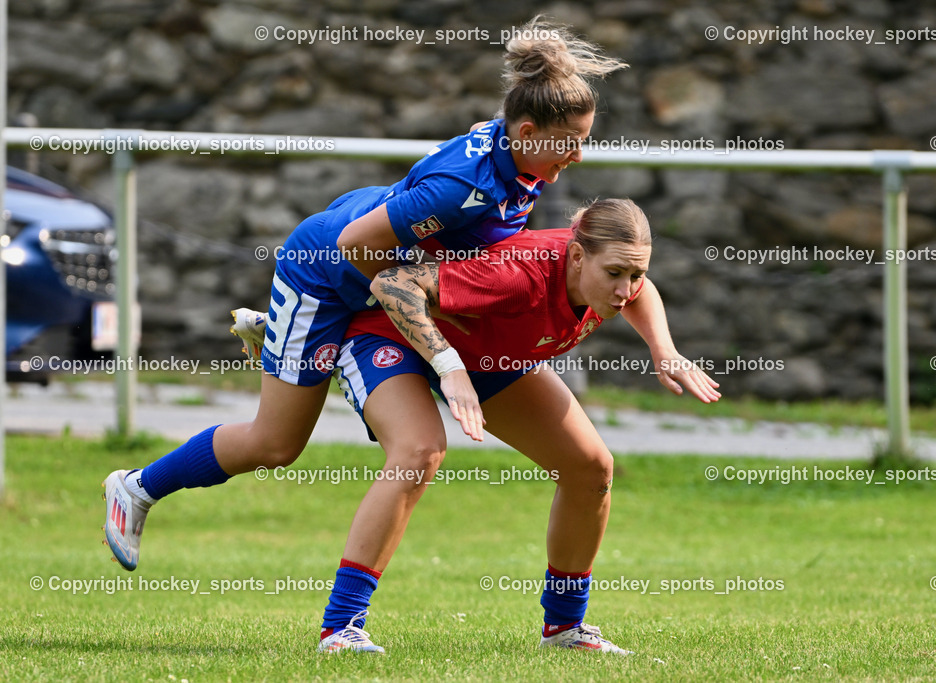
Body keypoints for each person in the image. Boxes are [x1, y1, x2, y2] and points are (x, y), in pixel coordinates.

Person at [102, 16, 625, 611]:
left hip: (387, 282)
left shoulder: (523, 152)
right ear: (527, 131)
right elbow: (355, 245)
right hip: (325, 275)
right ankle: (137, 486)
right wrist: (430, 331)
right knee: (276, 444)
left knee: (507, 453)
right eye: (570, 141)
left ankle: (563, 624)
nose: (579, 154)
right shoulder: (462, 185)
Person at [303, 198, 720, 655]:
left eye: (634, 274)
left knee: (589, 468)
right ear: (578, 258)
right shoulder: (518, 275)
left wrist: (663, 349)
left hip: (486, 354)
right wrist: (449, 366)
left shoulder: (606, 272)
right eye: (616, 274)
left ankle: (564, 628)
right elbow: (394, 283)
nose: (625, 290)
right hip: (389, 334)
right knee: (418, 452)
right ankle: (340, 628)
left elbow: (643, 290)